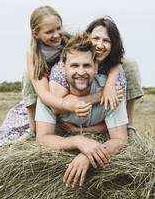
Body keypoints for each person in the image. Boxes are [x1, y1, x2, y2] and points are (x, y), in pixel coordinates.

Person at [35, 33, 128, 188]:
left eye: (86, 65)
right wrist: (78, 141)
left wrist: (89, 155)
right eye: (74, 65)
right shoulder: (51, 95)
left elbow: (120, 140)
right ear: (63, 69)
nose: (81, 72)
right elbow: (43, 138)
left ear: (96, 67)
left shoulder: (110, 92)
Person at [49, 17, 143, 137]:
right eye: (95, 39)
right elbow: (56, 107)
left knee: (131, 64)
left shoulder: (116, 73)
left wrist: (80, 132)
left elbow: (117, 119)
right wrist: (99, 96)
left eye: (106, 41)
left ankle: (130, 125)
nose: (99, 45)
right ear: (87, 38)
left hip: (91, 124)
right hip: (63, 120)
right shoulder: (67, 64)